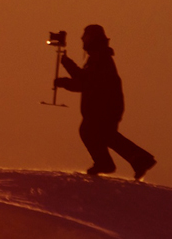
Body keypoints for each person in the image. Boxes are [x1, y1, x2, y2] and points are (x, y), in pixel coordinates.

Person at [55, 24, 156, 180]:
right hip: (105, 107)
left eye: (85, 36)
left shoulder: (100, 58)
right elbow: (85, 82)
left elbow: (86, 82)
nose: (82, 39)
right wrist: (67, 76)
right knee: (105, 135)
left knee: (91, 131)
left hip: (104, 107)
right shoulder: (98, 57)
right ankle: (138, 159)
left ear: (92, 38)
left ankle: (108, 162)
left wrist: (66, 74)